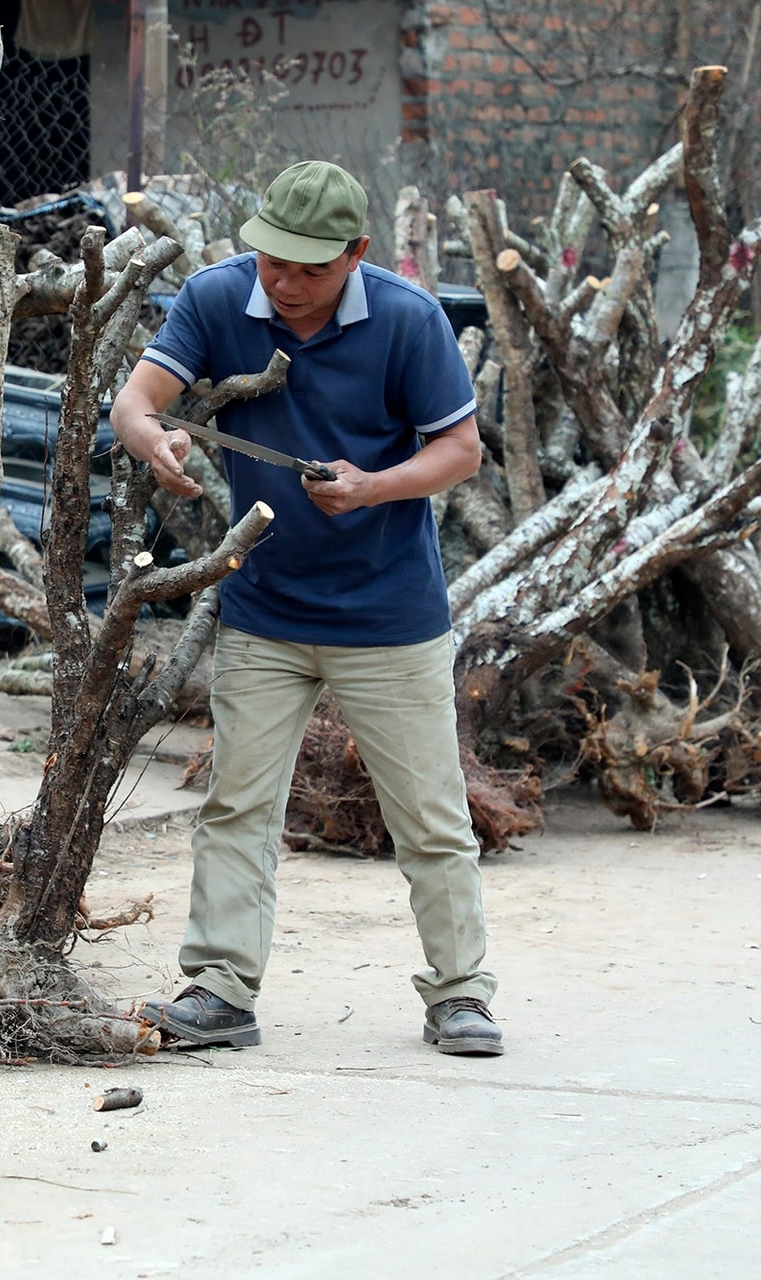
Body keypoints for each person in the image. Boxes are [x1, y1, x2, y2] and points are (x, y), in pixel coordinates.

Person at [111, 161, 502, 1056]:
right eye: (270, 262)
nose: (282, 283)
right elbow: (135, 398)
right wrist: (153, 438)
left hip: (389, 617)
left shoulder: (410, 319)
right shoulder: (217, 299)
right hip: (264, 609)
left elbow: (462, 451)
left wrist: (374, 489)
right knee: (237, 808)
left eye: (307, 269)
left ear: (357, 254)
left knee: (431, 818)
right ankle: (219, 990)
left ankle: (460, 994)